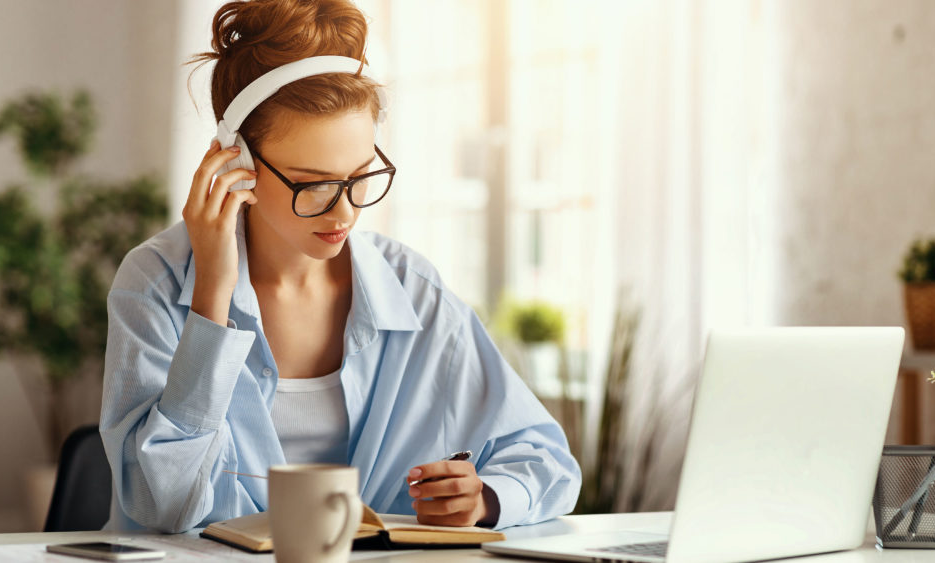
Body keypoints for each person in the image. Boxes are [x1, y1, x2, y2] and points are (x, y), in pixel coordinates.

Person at [99, 0, 581, 533]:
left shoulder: (412, 289)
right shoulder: (155, 283)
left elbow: (546, 461)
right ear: (236, 164)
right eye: (315, 183)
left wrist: (487, 498)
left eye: (359, 176)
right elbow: (159, 504)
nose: (345, 210)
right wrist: (212, 294)